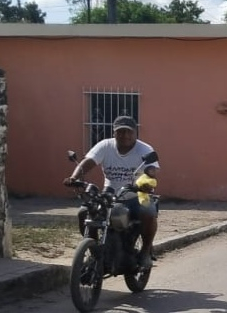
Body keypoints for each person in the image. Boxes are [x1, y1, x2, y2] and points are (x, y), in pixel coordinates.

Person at [64, 115, 160, 268]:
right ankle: (94, 250)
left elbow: (151, 170)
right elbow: (88, 162)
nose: (125, 136)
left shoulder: (145, 149)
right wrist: (74, 177)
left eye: (129, 132)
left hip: (137, 194)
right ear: (114, 133)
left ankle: (145, 251)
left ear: (135, 133)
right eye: (120, 132)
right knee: (84, 212)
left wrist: (147, 183)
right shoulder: (105, 146)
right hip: (109, 193)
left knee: (148, 212)